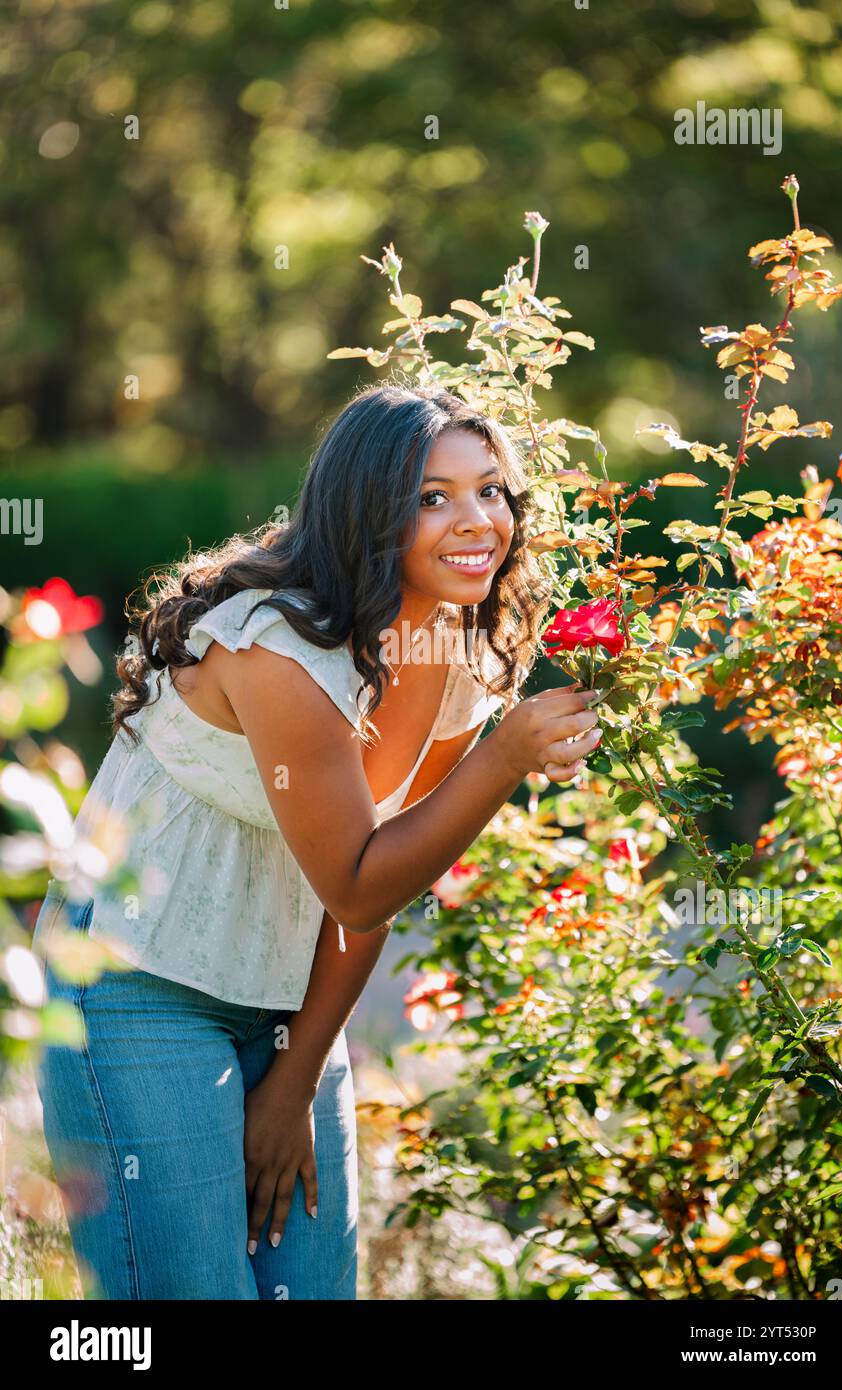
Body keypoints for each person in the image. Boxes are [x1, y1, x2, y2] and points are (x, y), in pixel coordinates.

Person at [30, 382, 602, 1300]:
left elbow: (385, 865)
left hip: (285, 993)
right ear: (368, 511)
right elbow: (358, 883)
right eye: (433, 496)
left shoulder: (460, 647)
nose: (477, 519)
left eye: (491, 489)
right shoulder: (276, 650)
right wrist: (502, 762)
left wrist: (294, 1079)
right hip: (135, 984)